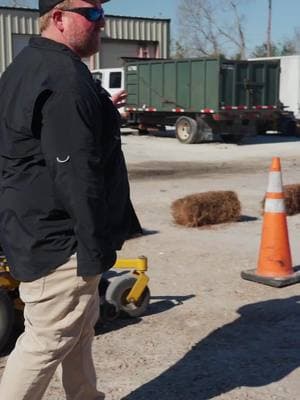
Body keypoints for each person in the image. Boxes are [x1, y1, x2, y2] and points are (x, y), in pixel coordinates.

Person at [0, 0, 134, 398]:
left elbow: (41, 137)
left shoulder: (26, 67)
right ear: (58, 18)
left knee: (79, 328)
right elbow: (76, 174)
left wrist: (99, 111)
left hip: (33, 226)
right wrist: (94, 249)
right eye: (91, 13)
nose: (101, 22)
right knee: (46, 340)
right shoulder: (64, 77)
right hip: (62, 240)